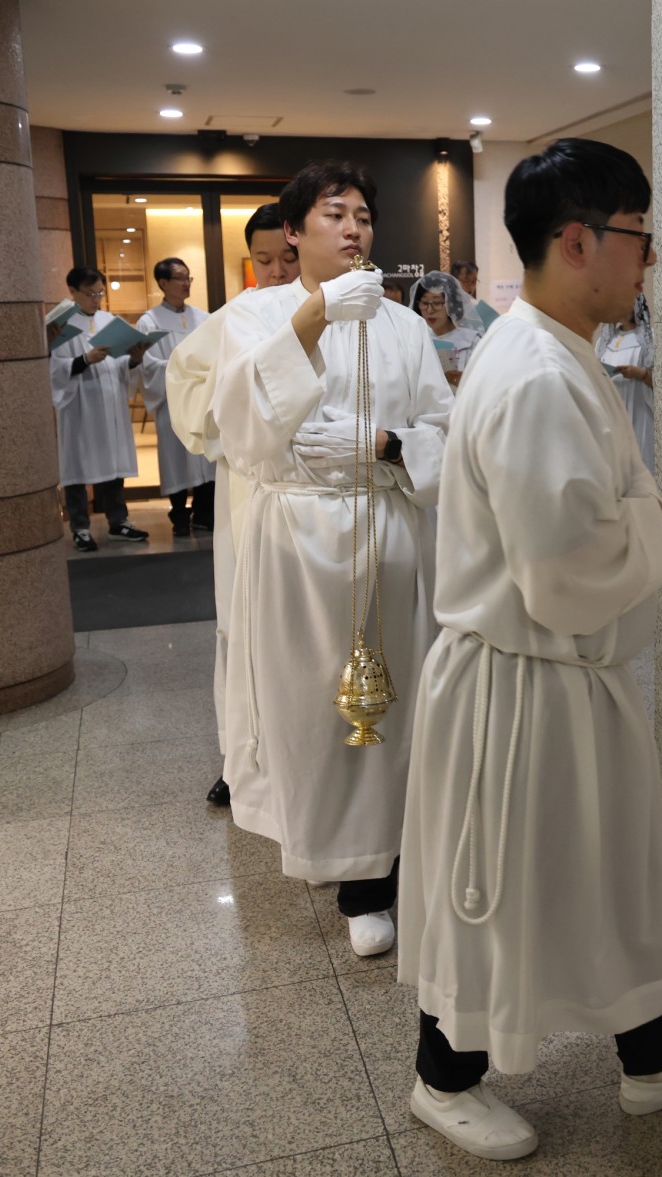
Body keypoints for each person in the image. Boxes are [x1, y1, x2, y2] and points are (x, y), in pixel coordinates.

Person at [396, 138, 662, 1162]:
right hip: (519, 685)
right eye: (639, 236)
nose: (649, 260)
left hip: (566, 677)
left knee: (620, 876)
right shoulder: (538, 374)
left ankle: (655, 1062)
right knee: (501, 886)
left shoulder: (557, 347)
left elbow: (580, 522)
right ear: (577, 241)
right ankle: (442, 1080)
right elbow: (561, 573)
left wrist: (651, 534)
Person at [210, 162, 452, 956]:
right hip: (296, 536)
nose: (353, 229)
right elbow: (242, 430)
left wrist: (386, 444)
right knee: (310, 710)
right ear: (292, 231)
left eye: (363, 217)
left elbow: (445, 431)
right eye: (334, 214)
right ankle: (327, 848)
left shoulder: (404, 326)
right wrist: (314, 317)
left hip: (384, 528)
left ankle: (377, 873)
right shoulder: (256, 315)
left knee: (389, 709)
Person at [164, 203, 300, 809]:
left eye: (287, 258)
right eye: (263, 260)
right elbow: (185, 383)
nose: (275, 271)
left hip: (320, 498)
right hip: (251, 490)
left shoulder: (333, 315)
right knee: (242, 623)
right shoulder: (235, 318)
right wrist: (232, 422)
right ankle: (240, 758)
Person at [50, 266, 150, 552]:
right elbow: (54, 368)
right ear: (72, 291)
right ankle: (80, 527)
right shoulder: (61, 326)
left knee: (113, 461)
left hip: (111, 403)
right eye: (90, 293)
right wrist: (85, 359)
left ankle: (118, 522)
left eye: (100, 293)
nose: (96, 299)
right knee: (77, 465)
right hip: (80, 407)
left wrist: (134, 359)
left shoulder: (109, 321)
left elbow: (120, 366)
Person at [134, 258, 215, 537]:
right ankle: (179, 515)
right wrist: (184, 368)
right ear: (163, 283)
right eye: (180, 278)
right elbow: (148, 365)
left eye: (188, 278)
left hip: (201, 398)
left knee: (205, 456)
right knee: (176, 457)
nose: (186, 283)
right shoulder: (149, 321)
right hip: (172, 400)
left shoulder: (203, 318)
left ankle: (204, 514)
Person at [595, 293, 656, 470]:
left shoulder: (649, 339)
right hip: (612, 409)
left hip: (638, 409)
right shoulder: (606, 341)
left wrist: (640, 374)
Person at [408, 270, 482, 388]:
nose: (430, 310)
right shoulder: (417, 339)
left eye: (437, 303)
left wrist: (465, 380)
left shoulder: (471, 341)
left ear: (451, 304)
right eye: (425, 303)